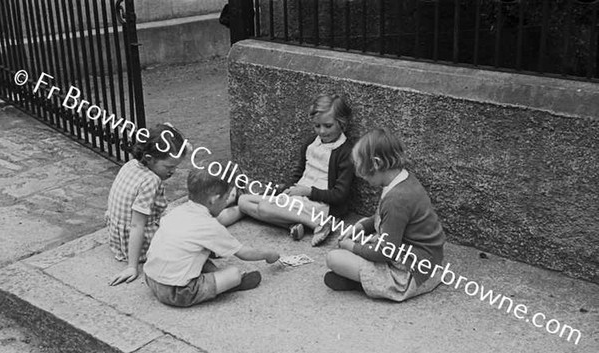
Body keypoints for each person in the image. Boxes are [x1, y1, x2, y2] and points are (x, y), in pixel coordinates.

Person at [325, 128, 446, 301]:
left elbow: (386, 252)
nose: (361, 176)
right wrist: (362, 226)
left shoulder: (396, 199)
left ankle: (369, 284)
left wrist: (351, 247)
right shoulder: (403, 180)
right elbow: (387, 218)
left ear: (376, 163)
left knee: (334, 258)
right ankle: (360, 280)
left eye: (361, 169)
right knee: (357, 245)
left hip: (413, 273)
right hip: (428, 262)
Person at [143, 167, 280, 307]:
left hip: (150, 277)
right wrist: (268, 254)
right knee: (234, 274)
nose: (226, 203)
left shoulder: (176, 212)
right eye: (226, 199)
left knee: (196, 254)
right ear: (214, 199)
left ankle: (214, 277)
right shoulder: (209, 226)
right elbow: (244, 253)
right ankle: (227, 285)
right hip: (177, 292)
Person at [238, 93, 354, 246]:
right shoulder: (310, 144)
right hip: (297, 199)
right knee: (243, 200)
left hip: (320, 206)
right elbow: (298, 174)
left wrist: (308, 192)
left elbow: (340, 194)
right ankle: (295, 224)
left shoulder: (346, 152)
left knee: (264, 207)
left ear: (342, 123)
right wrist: (285, 189)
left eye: (328, 126)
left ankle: (317, 222)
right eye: (317, 126)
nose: (322, 131)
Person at [107, 123, 187, 286]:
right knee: (190, 227)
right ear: (150, 159)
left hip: (117, 239)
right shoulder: (151, 181)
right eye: (170, 167)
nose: (173, 172)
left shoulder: (132, 164)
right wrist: (132, 267)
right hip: (140, 244)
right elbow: (137, 225)